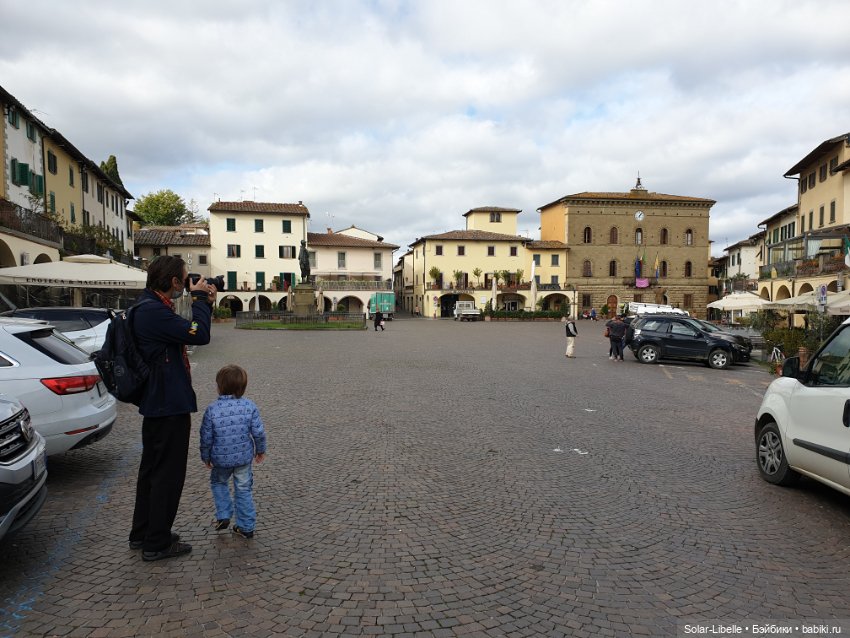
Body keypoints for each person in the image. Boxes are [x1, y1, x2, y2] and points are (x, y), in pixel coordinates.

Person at [128, 256, 215, 561]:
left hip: (158, 401)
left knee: (151, 470)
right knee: (167, 473)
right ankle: (157, 542)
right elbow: (199, 334)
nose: (190, 283)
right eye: (186, 278)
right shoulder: (154, 311)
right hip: (167, 403)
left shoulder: (146, 306)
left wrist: (203, 301)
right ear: (174, 282)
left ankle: (144, 533)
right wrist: (202, 299)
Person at [200, 364, 267, 540]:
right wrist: (260, 450)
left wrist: (205, 456)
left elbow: (206, 437)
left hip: (220, 460)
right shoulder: (249, 406)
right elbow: (258, 432)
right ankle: (246, 527)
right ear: (243, 387)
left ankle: (223, 514)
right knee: (244, 489)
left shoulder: (212, 410)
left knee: (218, 483)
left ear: (219, 386)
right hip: (243, 458)